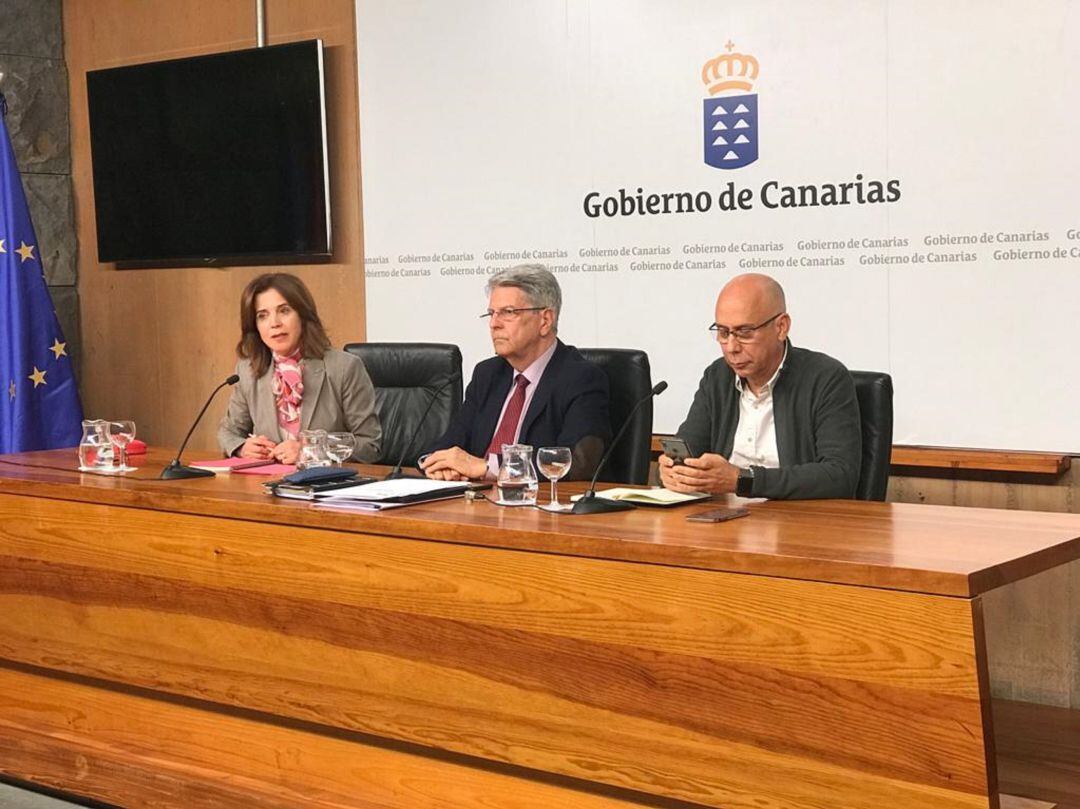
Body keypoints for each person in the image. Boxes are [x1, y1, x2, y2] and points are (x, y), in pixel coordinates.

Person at [660, 273, 861, 499]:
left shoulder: (826, 378)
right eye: (723, 333)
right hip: (721, 521)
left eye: (745, 333)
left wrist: (742, 480)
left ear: (781, 327)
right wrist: (674, 469)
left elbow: (840, 475)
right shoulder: (717, 376)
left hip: (797, 523)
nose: (731, 347)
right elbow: (689, 447)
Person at [421, 264, 611, 481]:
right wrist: (440, 464)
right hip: (474, 504)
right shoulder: (488, 374)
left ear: (545, 320)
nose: (494, 324)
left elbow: (577, 464)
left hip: (533, 508)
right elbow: (450, 444)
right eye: (491, 313)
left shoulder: (580, 378)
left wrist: (487, 468)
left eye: (508, 312)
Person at [217, 273, 381, 464]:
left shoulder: (343, 367)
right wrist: (242, 448)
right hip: (266, 485)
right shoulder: (248, 371)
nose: (274, 323)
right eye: (263, 316)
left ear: (303, 315)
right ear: (255, 327)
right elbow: (228, 432)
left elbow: (370, 446)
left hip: (324, 486)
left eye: (284, 311)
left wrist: (310, 451)